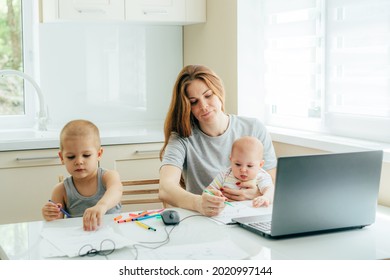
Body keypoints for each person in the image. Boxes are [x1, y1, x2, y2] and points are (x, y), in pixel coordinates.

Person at [159, 65, 277, 217]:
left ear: (219, 91)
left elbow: (272, 180)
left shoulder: (254, 127)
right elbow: (165, 188)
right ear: (187, 107)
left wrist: (259, 194)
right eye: (194, 102)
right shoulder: (182, 137)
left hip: (250, 215)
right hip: (205, 219)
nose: (204, 106)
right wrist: (199, 203)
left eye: (208, 96)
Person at [41, 119, 123, 231]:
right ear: (62, 158)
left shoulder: (108, 177)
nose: (79, 161)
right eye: (71, 157)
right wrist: (50, 214)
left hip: (113, 238)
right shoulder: (61, 190)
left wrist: (101, 206)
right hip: (79, 243)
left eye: (86, 155)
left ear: (99, 154)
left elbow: (116, 190)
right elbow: (57, 225)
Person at [209, 136, 274, 208]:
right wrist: (214, 195)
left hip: (250, 211)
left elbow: (270, 190)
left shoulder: (261, 176)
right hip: (226, 210)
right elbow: (209, 190)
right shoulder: (225, 174)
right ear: (231, 160)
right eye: (238, 164)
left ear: (260, 165)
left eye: (249, 166)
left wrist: (265, 197)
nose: (243, 169)